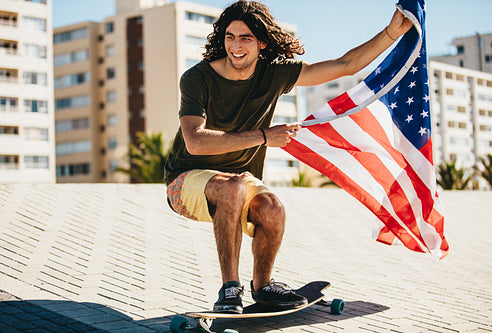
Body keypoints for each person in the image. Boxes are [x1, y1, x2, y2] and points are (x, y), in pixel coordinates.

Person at [164, 0, 412, 314]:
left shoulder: (274, 74)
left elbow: (346, 64)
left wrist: (392, 33)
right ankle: (230, 290)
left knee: (272, 209)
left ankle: (263, 287)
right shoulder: (198, 78)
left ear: (262, 42)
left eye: (246, 38)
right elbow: (195, 142)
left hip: (238, 180)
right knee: (232, 188)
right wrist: (265, 137)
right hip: (185, 182)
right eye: (230, 37)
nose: (236, 46)